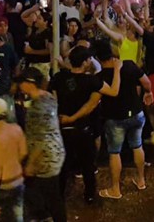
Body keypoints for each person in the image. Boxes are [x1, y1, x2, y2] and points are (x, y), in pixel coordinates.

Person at [51, 46, 121, 204]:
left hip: (62, 128)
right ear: (84, 62)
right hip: (83, 129)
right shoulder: (92, 81)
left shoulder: (59, 77)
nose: (91, 61)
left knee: (63, 164)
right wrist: (117, 70)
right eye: (89, 59)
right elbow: (114, 91)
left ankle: (59, 195)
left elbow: (54, 98)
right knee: (88, 165)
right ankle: (89, 195)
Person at [93, 41, 152, 199]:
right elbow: (146, 82)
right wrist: (148, 92)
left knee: (114, 152)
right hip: (136, 113)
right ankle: (141, 180)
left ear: (97, 58)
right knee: (137, 146)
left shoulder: (99, 78)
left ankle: (115, 189)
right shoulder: (129, 65)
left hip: (115, 118)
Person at [16, 68, 66, 222]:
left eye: (21, 82)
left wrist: (31, 165)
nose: (19, 86)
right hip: (56, 152)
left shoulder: (36, 109)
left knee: (48, 197)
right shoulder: (48, 97)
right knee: (50, 194)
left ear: (30, 83)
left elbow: (40, 140)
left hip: (45, 159)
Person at [0, 97, 27, 222]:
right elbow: (23, 153)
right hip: (18, 179)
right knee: (18, 214)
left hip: (4, 184)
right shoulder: (17, 129)